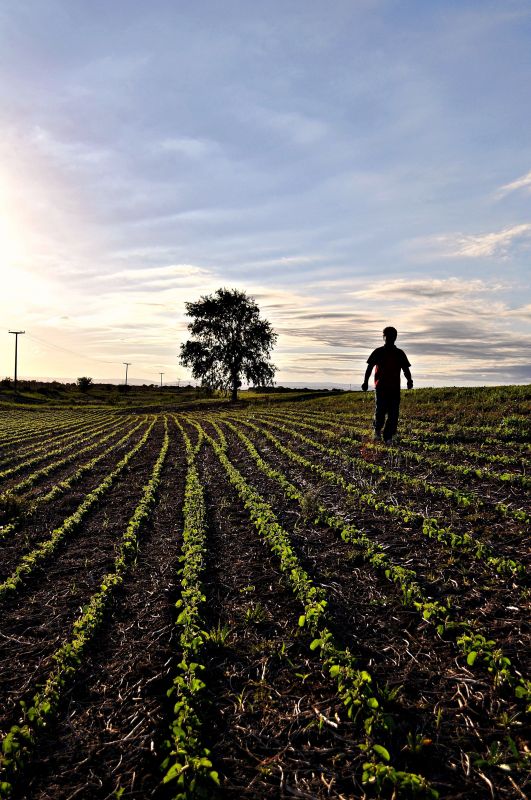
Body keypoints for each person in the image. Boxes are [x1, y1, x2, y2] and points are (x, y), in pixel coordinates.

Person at [361, 326, 413, 444]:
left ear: (395, 337)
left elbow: (405, 369)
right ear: (383, 337)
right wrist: (365, 382)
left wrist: (410, 380)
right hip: (381, 388)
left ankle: (388, 436)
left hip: (394, 388)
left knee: (393, 413)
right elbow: (369, 368)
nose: (389, 338)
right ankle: (377, 431)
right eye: (387, 336)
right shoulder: (378, 352)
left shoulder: (399, 353)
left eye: (392, 336)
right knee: (380, 411)